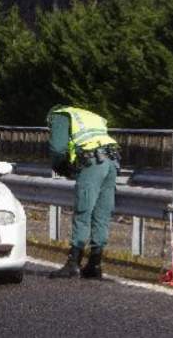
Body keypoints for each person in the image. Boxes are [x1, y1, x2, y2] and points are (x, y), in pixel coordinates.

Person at [46, 105, 120, 280]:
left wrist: (61, 167)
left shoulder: (59, 116)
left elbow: (57, 149)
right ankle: (95, 264)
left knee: (83, 211)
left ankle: (73, 264)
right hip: (112, 161)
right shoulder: (91, 115)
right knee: (101, 213)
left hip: (93, 162)